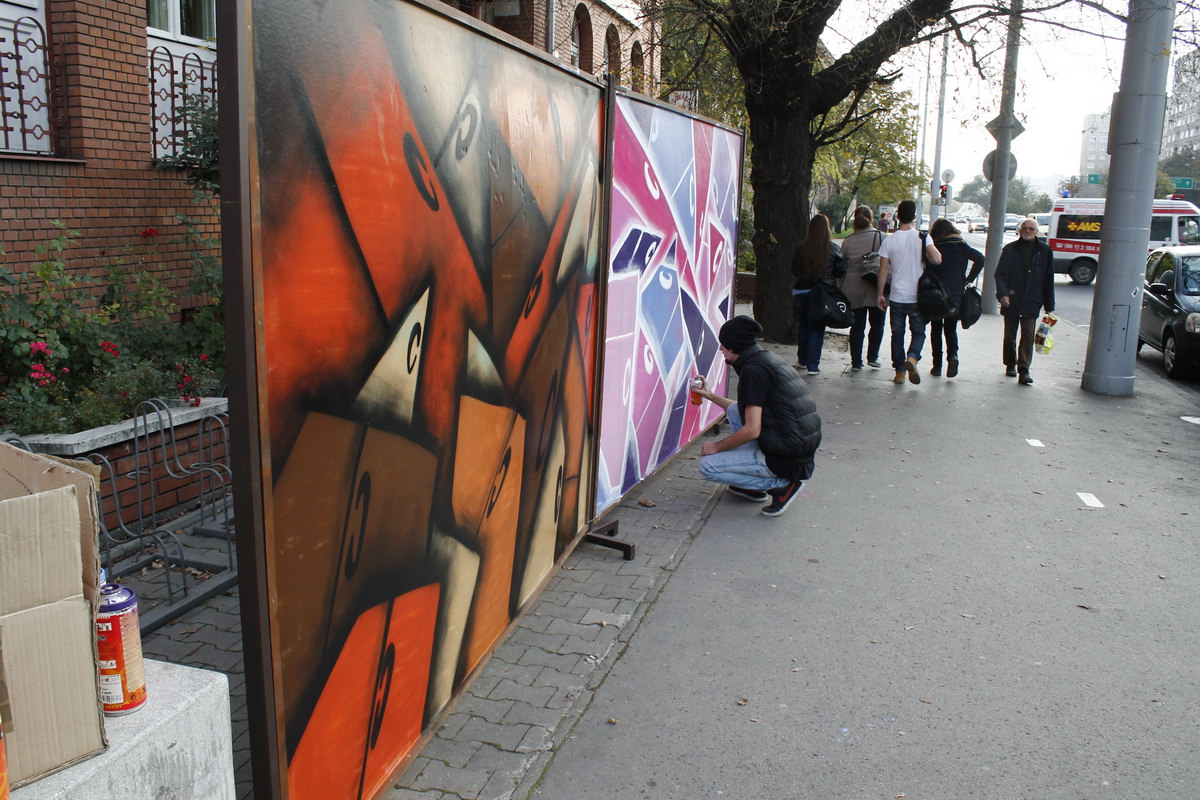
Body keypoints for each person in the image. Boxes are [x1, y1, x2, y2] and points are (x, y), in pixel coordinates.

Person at [693, 316, 822, 517]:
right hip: (796, 443)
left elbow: (752, 430)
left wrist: (717, 447)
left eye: (723, 345)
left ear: (733, 348)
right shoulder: (763, 359)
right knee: (735, 410)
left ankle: (781, 486)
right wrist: (710, 396)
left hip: (787, 456)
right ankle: (751, 488)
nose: (720, 349)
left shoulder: (753, 371)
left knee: (708, 466)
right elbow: (745, 409)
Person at [876, 199, 943, 385]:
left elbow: (882, 271)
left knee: (897, 334)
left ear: (898, 216)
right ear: (914, 217)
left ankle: (899, 373)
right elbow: (937, 259)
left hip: (897, 295)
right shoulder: (922, 238)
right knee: (919, 332)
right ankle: (912, 358)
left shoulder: (889, 240)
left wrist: (880, 294)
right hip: (917, 296)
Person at [995, 217, 1055, 385]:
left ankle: (1024, 369)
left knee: (1028, 335)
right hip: (1012, 299)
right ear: (1020, 230)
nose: (1027, 231)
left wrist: (1049, 305)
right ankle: (1010, 364)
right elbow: (1000, 274)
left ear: (1036, 232)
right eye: (1025, 228)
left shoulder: (1044, 251)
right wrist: (1003, 294)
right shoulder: (1010, 249)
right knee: (1010, 336)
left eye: (1031, 228)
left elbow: (1048, 279)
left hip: (1032, 299)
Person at [928, 217, 984, 378]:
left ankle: (936, 366)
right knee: (951, 329)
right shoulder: (961, 246)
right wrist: (968, 280)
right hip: (955, 294)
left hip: (936, 294)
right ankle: (953, 356)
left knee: (936, 329)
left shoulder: (934, 246)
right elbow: (980, 259)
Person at [790, 213, 847, 374]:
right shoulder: (833, 248)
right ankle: (813, 365)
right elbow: (840, 270)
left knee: (803, 325)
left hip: (802, 290)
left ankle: (802, 360)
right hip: (823, 293)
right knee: (817, 327)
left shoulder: (802, 247)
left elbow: (794, 269)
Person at [839, 206, 888, 370]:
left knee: (857, 326)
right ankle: (872, 357)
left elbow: (841, 265)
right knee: (877, 324)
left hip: (852, 286)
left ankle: (856, 362)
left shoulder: (848, 240)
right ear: (870, 219)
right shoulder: (881, 237)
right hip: (875, 284)